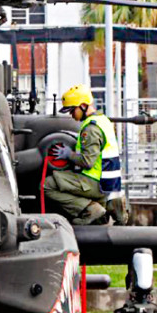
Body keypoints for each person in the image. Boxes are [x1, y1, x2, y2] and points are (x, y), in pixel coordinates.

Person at [45, 84, 128, 225]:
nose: (71, 115)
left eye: (72, 110)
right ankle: (104, 209)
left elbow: (87, 162)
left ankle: (90, 209)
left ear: (83, 106)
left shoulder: (90, 128)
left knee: (47, 185)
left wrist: (68, 154)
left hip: (95, 182)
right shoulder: (103, 120)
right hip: (109, 182)